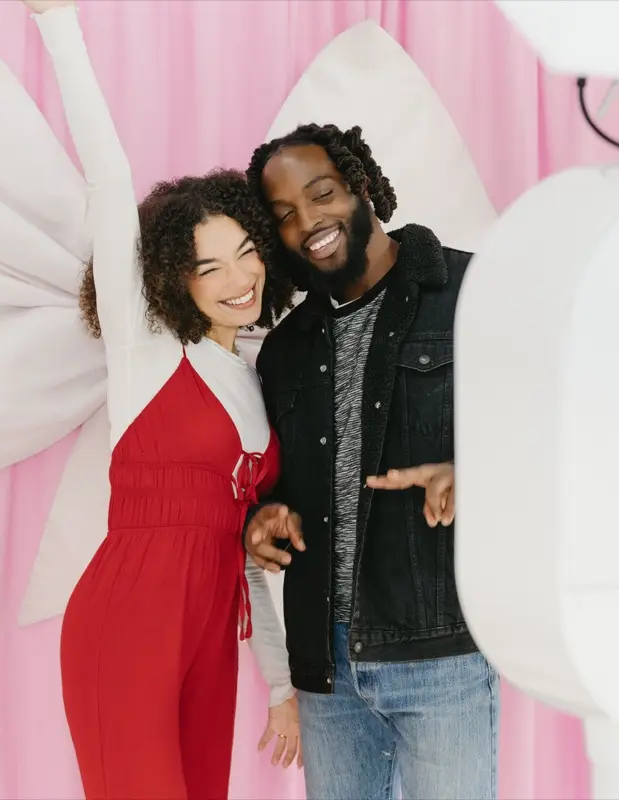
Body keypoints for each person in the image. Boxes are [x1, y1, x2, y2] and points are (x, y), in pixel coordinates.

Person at [20, 2, 302, 797]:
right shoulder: (147, 356)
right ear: (173, 277)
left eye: (246, 253)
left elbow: (248, 557)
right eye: (209, 266)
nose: (239, 279)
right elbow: (110, 183)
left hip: (210, 637)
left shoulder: (256, 378)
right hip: (128, 625)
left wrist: (279, 686)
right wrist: (58, 25)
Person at [241, 123, 499, 800]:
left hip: (440, 651)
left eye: (321, 193)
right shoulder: (285, 349)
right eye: (286, 216)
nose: (308, 222)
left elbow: (563, 423)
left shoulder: (476, 290)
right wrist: (265, 519)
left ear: (360, 185)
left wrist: (481, 470)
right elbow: (283, 488)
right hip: (325, 669)